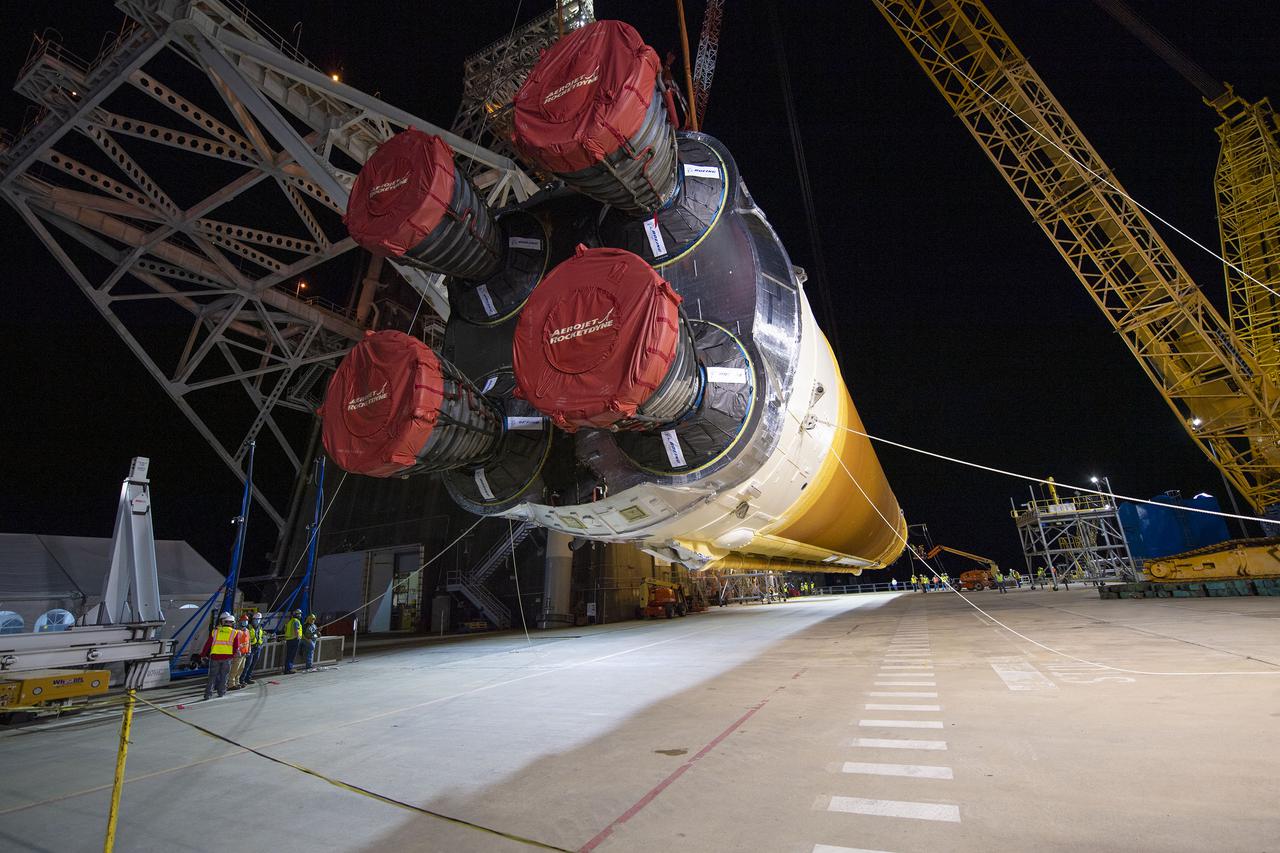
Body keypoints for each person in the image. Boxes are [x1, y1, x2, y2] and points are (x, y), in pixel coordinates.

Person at [201, 612, 238, 700]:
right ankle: (221, 692)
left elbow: (208, 644)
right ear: (232, 623)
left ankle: (208, 694)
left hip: (214, 657)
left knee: (212, 676)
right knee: (224, 676)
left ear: (223, 622)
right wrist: (232, 655)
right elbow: (235, 647)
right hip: (227, 658)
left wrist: (203, 654)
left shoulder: (215, 631)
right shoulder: (234, 633)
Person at [227, 615, 251, 689]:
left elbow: (248, 641)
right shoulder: (236, 631)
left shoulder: (247, 631)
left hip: (244, 653)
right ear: (240, 622)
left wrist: (249, 650)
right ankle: (231, 684)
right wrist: (237, 651)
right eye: (243, 621)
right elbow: (234, 643)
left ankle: (237, 682)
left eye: (246, 621)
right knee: (234, 669)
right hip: (238, 654)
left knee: (241, 669)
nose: (245, 622)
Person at [243, 612, 265, 685]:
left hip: (257, 647)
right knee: (247, 664)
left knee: (253, 664)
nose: (257, 620)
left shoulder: (260, 627)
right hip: (250, 648)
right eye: (256, 619)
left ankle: (248, 678)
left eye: (259, 619)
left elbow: (261, 636)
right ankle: (242, 679)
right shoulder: (248, 627)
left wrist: (261, 644)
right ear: (253, 619)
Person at [282, 608, 303, 674]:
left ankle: (287, 669)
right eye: (299, 614)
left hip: (289, 639)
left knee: (289, 655)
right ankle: (289, 669)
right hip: (294, 640)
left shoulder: (290, 621)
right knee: (291, 655)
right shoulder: (296, 621)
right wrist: (298, 637)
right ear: (298, 615)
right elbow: (296, 630)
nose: (300, 615)